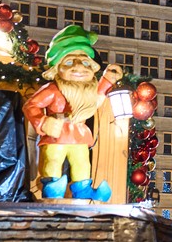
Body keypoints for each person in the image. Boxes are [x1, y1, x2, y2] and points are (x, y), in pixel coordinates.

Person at [23, 24, 123, 201]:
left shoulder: (87, 90)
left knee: (82, 163)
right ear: (57, 67)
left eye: (85, 62)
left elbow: (97, 98)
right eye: (69, 62)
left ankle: (83, 190)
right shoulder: (52, 89)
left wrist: (107, 80)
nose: (79, 68)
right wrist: (43, 121)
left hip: (79, 134)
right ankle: (53, 190)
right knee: (53, 161)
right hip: (57, 135)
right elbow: (31, 106)